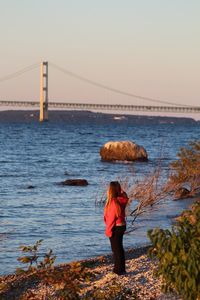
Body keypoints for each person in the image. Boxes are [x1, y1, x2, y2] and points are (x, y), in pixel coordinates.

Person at [104, 181, 129, 275]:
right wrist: (120, 190)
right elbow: (125, 194)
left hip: (116, 226)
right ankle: (121, 269)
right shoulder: (122, 198)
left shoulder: (114, 201)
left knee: (116, 249)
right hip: (122, 225)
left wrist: (108, 231)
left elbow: (111, 218)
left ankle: (118, 270)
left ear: (110, 190)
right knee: (119, 248)